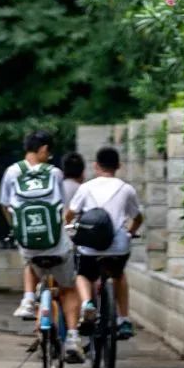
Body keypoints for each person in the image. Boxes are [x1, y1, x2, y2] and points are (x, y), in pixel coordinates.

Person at [0, 130, 85, 363]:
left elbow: (5, 206)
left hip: (28, 243)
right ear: (44, 149)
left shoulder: (12, 171)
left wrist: (17, 229)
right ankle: (73, 339)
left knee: (30, 261)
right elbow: (62, 207)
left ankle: (28, 300)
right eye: (49, 152)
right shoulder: (54, 173)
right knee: (68, 288)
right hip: (56, 243)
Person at [65, 146, 143, 341]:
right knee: (119, 275)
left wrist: (70, 228)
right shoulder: (126, 189)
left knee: (82, 274)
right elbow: (138, 217)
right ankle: (124, 319)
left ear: (96, 166)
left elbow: (70, 213)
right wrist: (130, 233)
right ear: (119, 166)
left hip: (90, 247)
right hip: (118, 247)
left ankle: (87, 304)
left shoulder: (86, 187)